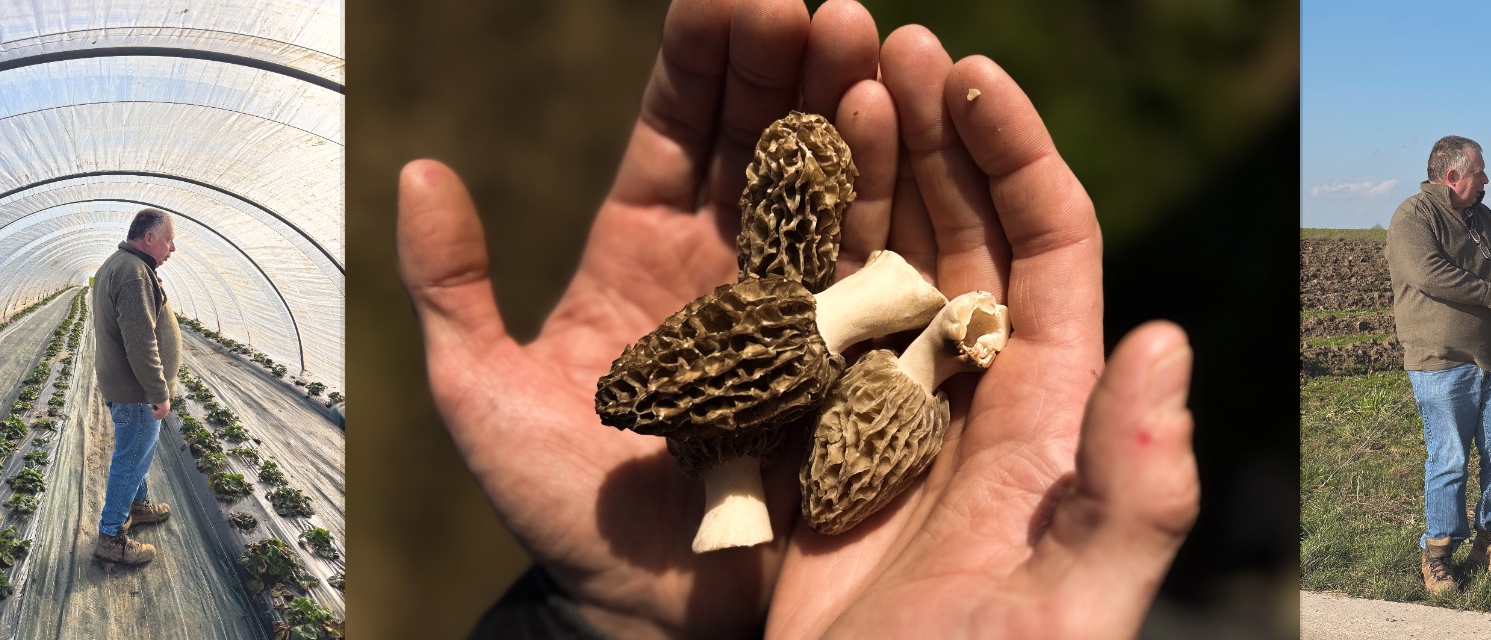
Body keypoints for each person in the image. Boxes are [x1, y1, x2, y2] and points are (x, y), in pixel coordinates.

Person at [394, 0, 1200, 636]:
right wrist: (609, 616)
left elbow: (761, 359)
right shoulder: (790, 346)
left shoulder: (815, 350)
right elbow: (753, 358)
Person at [1383, 135, 1491, 595]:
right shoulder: (1413, 216)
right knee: (1449, 460)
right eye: (1479, 171)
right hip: (1440, 362)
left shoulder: (1484, 217)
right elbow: (1429, 273)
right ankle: (1438, 554)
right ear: (1452, 177)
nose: (1486, 179)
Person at [90, 207, 181, 565]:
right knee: (130, 459)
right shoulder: (133, 274)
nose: (172, 248)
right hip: (137, 393)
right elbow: (140, 342)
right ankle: (111, 535)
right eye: (169, 240)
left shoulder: (120, 265)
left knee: (137, 454)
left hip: (125, 387)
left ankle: (139, 506)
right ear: (149, 238)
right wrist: (158, 393)